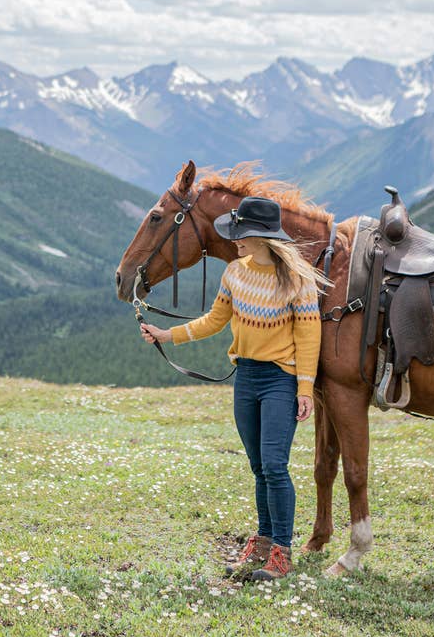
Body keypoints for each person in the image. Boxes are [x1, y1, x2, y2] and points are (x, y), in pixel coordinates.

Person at [139, 196, 325, 582]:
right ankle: (262, 543)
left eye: (241, 235)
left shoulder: (298, 279)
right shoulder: (235, 274)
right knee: (259, 467)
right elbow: (213, 321)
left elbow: (309, 337)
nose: (234, 241)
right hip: (246, 378)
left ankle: (281, 554)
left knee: (275, 465)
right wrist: (165, 335)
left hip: (280, 379)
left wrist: (304, 388)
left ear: (262, 237)